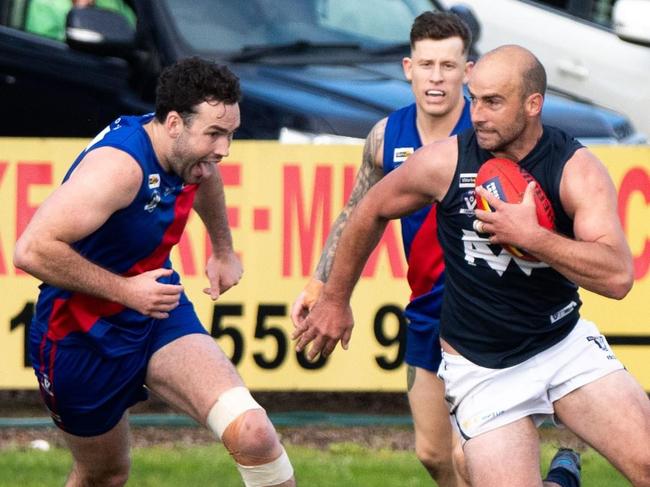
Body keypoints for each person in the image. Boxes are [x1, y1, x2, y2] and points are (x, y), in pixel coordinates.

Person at [293, 44, 650, 486]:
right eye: (475, 98)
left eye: (493, 102)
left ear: (532, 104)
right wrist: (334, 299)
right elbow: (370, 209)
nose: (477, 114)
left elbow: (617, 277)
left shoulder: (575, 167)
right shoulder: (447, 161)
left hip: (563, 346)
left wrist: (533, 237)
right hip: (482, 368)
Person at [14, 57, 295, 487]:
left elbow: (204, 174)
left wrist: (223, 249)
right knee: (104, 475)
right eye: (215, 134)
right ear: (176, 123)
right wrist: (125, 290)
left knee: (255, 435)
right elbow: (32, 249)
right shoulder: (119, 169)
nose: (224, 149)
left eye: (231, 135)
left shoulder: (184, 152)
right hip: (79, 335)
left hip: (156, 310)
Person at [291, 11, 472, 486]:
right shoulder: (385, 137)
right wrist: (321, 284)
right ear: (408, 68)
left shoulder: (488, 130)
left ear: (467, 71)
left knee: (473, 455)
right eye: (427, 65)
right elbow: (356, 213)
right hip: (427, 307)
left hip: (485, 308)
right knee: (433, 454)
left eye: (448, 66)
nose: (437, 78)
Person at [25, 0, 135, 41]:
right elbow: (46, 51)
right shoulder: (44, 5)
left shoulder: (112, 3)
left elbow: (134, 33)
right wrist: (81, 9)